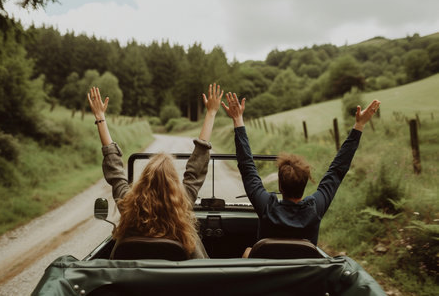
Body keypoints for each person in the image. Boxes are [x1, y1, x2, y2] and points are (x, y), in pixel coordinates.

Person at [221, 92, 380, 257]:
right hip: (302, 277)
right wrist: (359, 126)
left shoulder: (267, 207)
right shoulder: (314, 208)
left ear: (280, 186)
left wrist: (238, 120)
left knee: (248, 252)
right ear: (305, 184)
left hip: (267, 278)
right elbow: (337, 171)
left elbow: (247, 167)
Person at [87, 83, 224, 259]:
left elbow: (115, 170)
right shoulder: (183, 202)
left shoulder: (128, 206)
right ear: (174, 186)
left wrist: (100, 117)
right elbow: (197, 166)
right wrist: (211, 113)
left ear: (143, 182)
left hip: (132, 286)